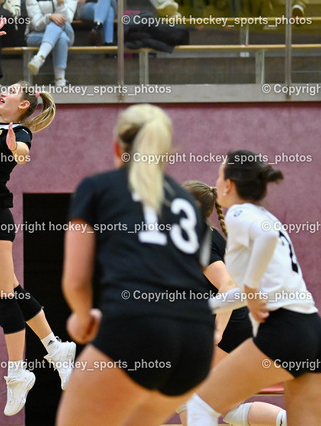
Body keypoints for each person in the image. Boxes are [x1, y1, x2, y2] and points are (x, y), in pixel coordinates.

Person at [57, 104, 215, 425]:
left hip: (137, 329)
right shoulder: (188, 203)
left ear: (117, 147)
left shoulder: (97, 187)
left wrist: (82, 318)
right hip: (197, 341)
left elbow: (76, 281)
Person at [0, 18, 76, 417]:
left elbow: (23, 157)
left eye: (10, 91)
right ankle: (55, 347)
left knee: (3, 296)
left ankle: (17, 372)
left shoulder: (20, 132)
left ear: (23, 105)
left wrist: (15, 150)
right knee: (9, 289)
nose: (2, 92)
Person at [187, 150, 321, 426]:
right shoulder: (264, 215)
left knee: (200, 406)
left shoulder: (239, 213)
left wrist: (249, 288)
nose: (215, 183)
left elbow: (265, 241)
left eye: (219, 176)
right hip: (310, 330)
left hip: (284, 331)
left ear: (229, 184)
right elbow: (242, 292)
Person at [181, 181, 286, 426]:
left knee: (186, 389)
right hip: (240, 330)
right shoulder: (202, 235)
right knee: (230, 410)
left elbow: (227, 284)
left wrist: (217, 331)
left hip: (230, 331)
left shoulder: (200, 239)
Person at [26, 0, 77, 86]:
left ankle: (40, 57)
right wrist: (49, 17)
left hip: (67, 30)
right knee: (61, 37)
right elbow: (36, 24)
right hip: (37, 35)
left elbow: (68, 19)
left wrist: (60, 5)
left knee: (58, 23)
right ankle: (60, 79)